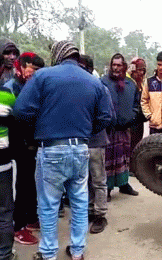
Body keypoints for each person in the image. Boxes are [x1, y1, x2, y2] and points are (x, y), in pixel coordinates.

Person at [13, 40, 113, 260]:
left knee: (48, 205)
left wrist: (39, 126)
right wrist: (85, 130)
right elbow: (107, 116)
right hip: (80, 148)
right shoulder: (94, 81)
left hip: (51, 149)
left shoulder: (43, 76)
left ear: (57, 55)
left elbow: (21, 110)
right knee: (78, 202)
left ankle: (48, 253)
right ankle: (77, 252)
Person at [5, 52, 45, 246]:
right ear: (22, 66)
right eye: (34, 69)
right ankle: (18, 227)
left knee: (31, 183)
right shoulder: (10, 87)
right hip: (17, 144)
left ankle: (30, 219)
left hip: (30, 143)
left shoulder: (28, 85)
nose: (35, 74)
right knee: (22, 185)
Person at [80, 54, 115, 234]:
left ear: (88, 68)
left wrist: (92, 131)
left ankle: (100, 215)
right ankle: (88, 211)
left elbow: (108, 117)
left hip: (94, 142)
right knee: (83, 181)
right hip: (81, 142)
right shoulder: (77, 87)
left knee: (98, 180)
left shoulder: (99, 88)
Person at [101, 53, 139, 201]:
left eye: (119, 65)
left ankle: (124, 184)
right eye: (114, 65)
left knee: (124, 158)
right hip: (108, 130)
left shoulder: (131, 84)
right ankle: (108, 189)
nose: (116, 68)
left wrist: (131, 117)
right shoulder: (103, 82)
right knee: (108, 161)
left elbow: (136, 104)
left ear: (124, 66)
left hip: (125, 129)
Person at [0, 53, 17, 260]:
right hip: (2, 162)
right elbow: (17, 124)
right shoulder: (7, 95)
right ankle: (4, 254)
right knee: (4, 211)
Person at [128, 58, 147, 153]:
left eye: (143, 70)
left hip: (139, 122)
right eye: (139, 70)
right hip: (130, 123)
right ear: (133, 70)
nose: (141, 73)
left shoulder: (141, 83)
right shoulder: (128, 83)